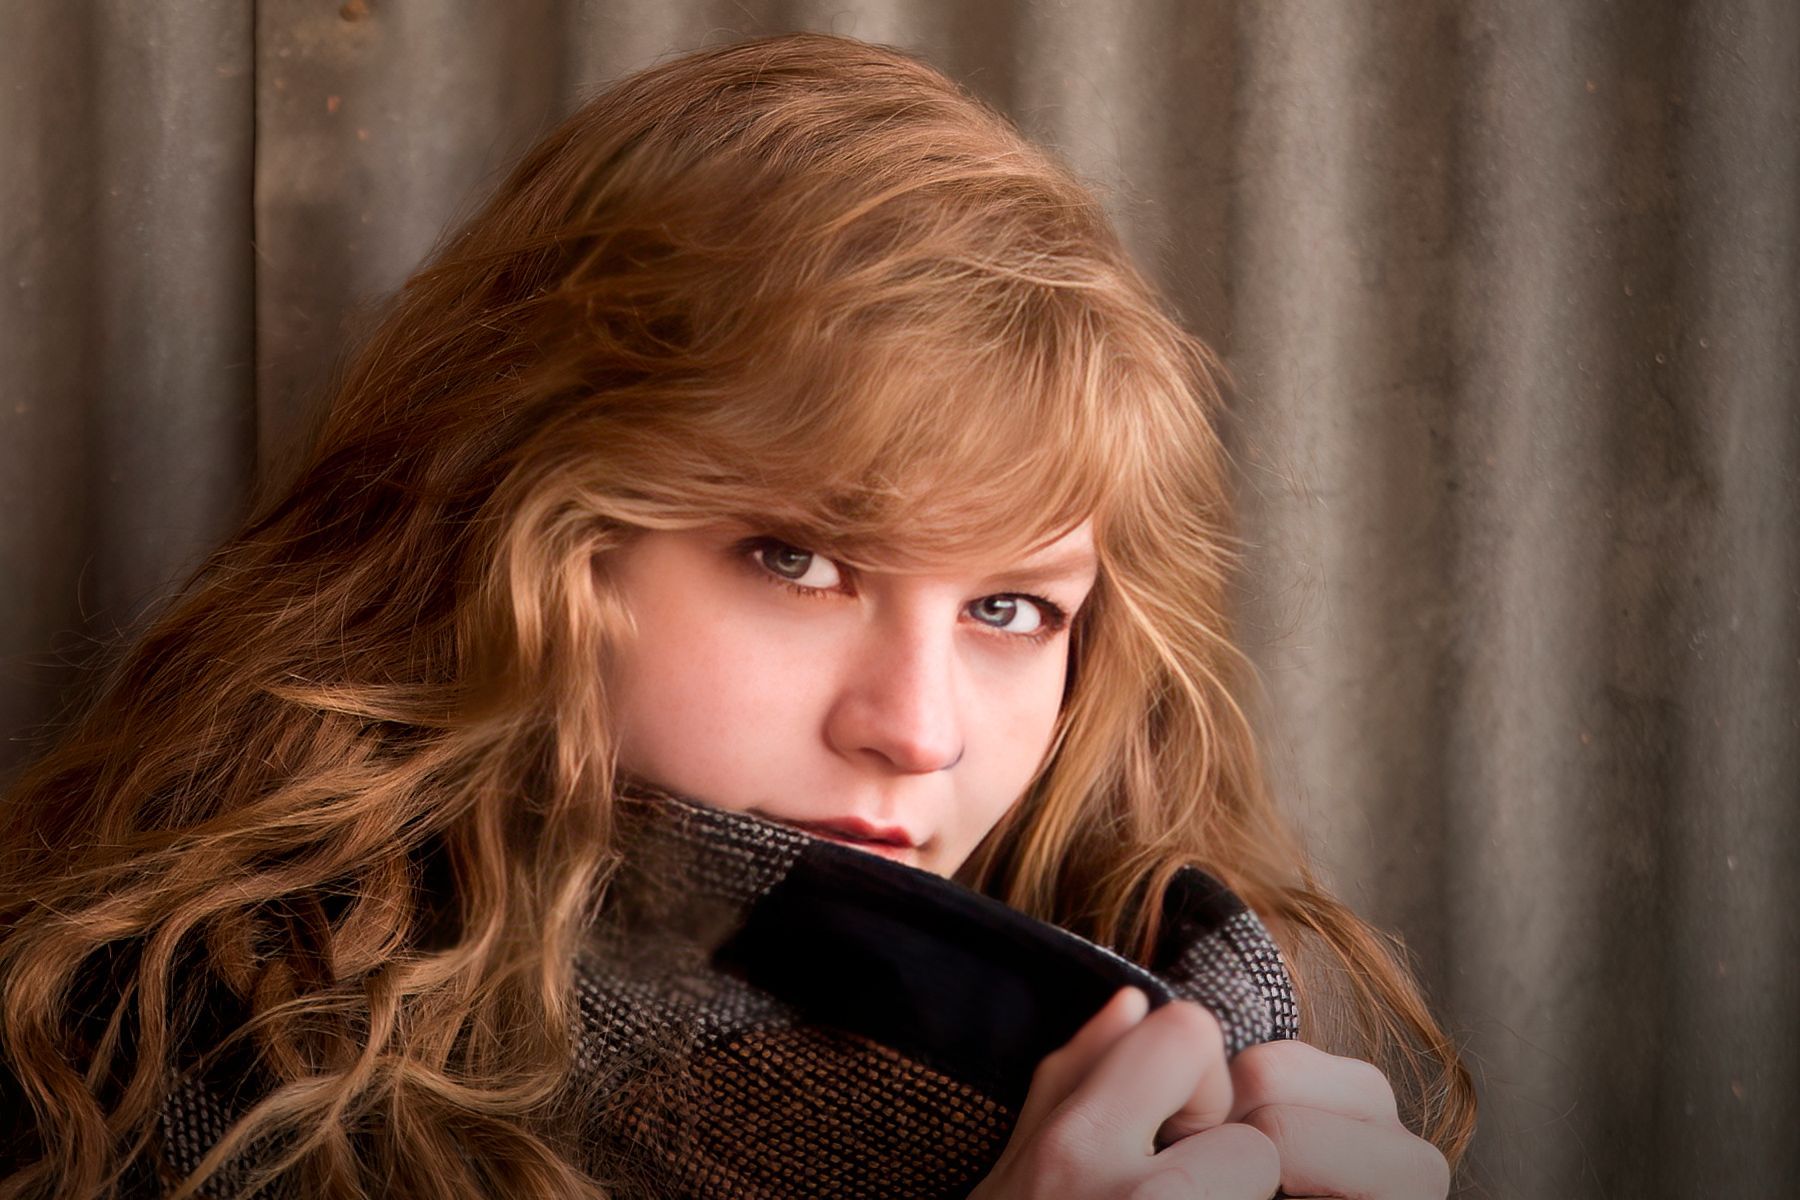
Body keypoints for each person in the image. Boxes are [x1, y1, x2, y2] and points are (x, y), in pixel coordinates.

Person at [0, 31, 1474, 1200]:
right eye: (797, 563)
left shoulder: (1207, 1044)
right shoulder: (171, 1082)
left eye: (1013, 607)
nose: (914, 729)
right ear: (517, 526)